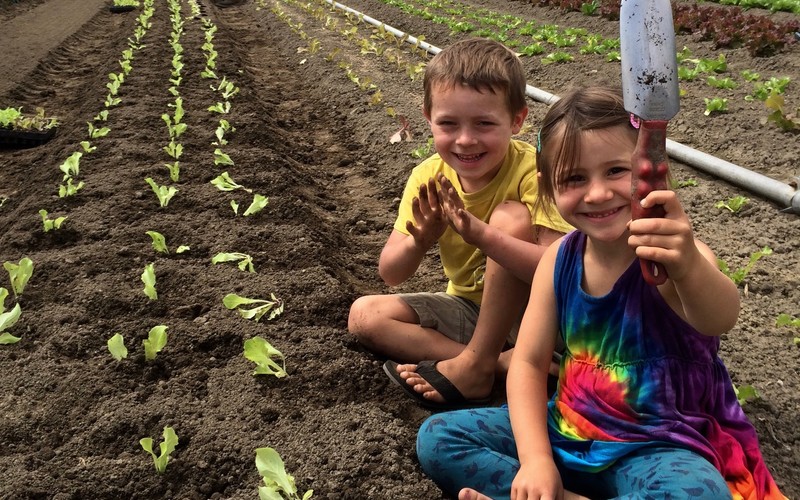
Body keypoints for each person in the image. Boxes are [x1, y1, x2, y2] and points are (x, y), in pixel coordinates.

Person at [415, 86, 786, 499]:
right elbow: (529, 363)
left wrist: (687, 266)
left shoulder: (673, 256)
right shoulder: (558, 260)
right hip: (568, 426)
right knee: (439, 437)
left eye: (616, 171)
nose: (597, 193)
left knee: (698, 493)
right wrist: (536, 460)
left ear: (653, 172)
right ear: (548, 187)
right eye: (575, 178)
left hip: (659, 446)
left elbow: (719, 319)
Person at [347, 38, 572, 410]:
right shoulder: (428, 177)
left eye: (484, 123)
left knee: (510, 217)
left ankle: (482, 363)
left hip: (538, 318)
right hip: (469, 309)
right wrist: (419, 241)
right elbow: (391, 273)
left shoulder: (534, 171)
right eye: (448, 124)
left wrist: (481, 234)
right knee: (364, 316)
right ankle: (492, 363)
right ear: (428, 118)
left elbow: (556, 270)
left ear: (517, 120)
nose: (466, 140)